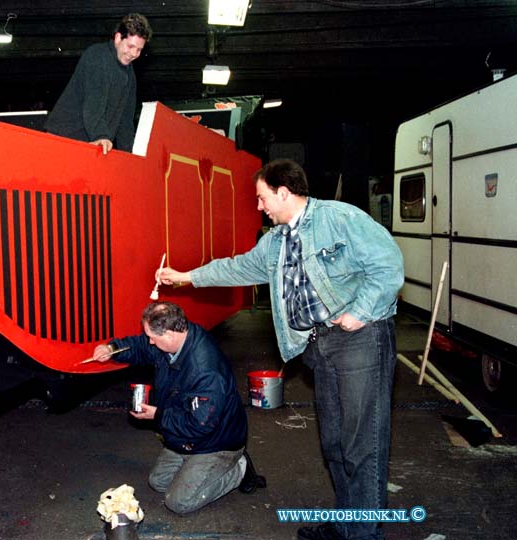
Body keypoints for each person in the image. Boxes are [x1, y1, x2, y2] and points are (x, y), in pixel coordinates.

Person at [157, 159, 404, 540]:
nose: (259, 207)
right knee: (335, 443)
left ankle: (365, 533)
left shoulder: (338, 218)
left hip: (360, 340)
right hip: (319, 346)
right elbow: (237, 269)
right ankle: (348, 524)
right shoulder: (274, 243)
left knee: (362, 444)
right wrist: (186, 276)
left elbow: (387, 264)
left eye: (261, 197)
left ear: (283, 192)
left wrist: (360, 311)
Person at [92, 301, 266, 515]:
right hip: (187, 436)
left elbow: (199, 425)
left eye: (153, 338)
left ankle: (239, 468)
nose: (150, 342)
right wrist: (111, 349)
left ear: (169, 334)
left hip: (216, 441)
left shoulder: (206, 371)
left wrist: (157, 415)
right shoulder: (176, 338)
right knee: (159, 482)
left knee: (179, 502)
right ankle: (198, 469)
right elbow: (139, 346)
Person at [44, 13, 151, 154]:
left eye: (139, 50)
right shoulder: (97, 56)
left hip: (88, 142)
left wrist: (131, 155)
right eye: (130, 46)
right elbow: (94, 104)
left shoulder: (129, 74)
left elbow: (125, 120)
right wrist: (101, 136)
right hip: (62, 139)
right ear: (118, 38)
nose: (133, 54)